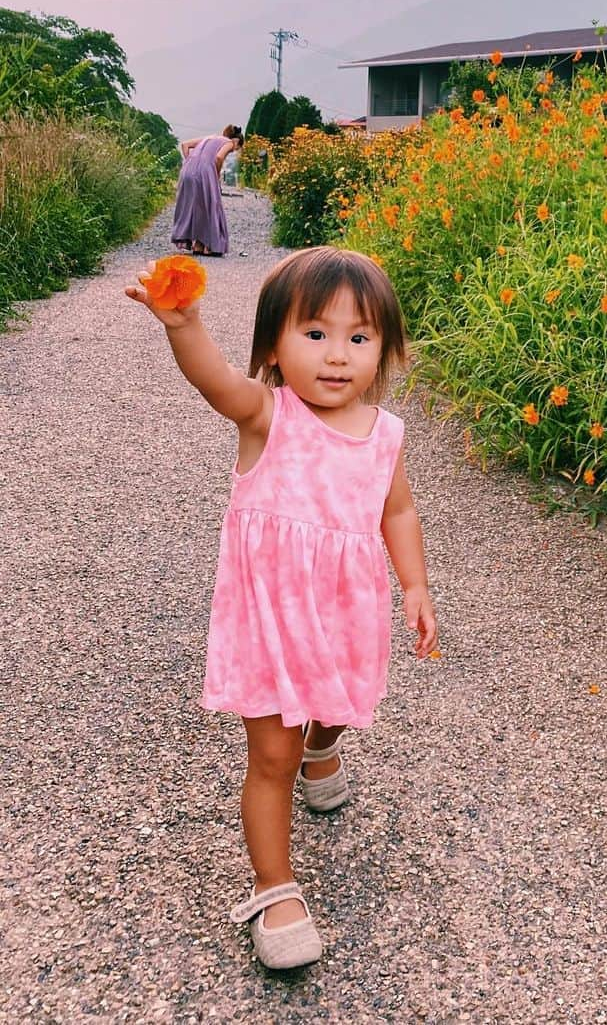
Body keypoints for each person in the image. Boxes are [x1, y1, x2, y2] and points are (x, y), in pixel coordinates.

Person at [124, 246, 438, 970]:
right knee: (271, 753)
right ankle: (276, 887)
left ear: (385, 350)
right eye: (315, 334)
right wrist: (182, 328)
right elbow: (213, 381)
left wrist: (415, 585)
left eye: (359, 338)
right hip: (267, 618)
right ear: (272, 346)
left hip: (342, 616)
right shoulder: (267, 415)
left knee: (333, 711)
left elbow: (399, 512)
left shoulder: (385, 436)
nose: (337, 356)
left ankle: (323, 749)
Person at [172, 125, 243, 256]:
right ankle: (211, 246)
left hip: (187, 171)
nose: (233, 151)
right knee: (210, 206)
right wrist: (216, 173)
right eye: (235, 150)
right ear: (237, 141)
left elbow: (185, 145)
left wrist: (190, 162)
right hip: (205, 172)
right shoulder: (228, 143)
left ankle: (198, 245)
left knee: (193, 206)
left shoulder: (209, 138)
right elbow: (219, 157)